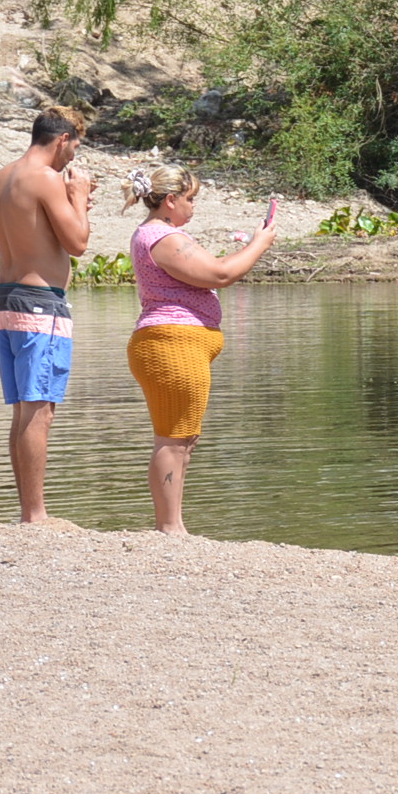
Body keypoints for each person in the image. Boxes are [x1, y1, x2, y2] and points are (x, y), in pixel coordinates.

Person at [122, 165, 277, 535]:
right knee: (174, 437)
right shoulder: (163, 237)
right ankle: (170, 528)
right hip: (172, 344)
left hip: (178, 344)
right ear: (170, 200)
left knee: (183, 437)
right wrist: (259, 244)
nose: (193, 207)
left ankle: (174, 525)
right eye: (190, 199)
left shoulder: (162, 234)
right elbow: (221, 274)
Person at [0, 102, 95, 526]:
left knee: (22, 407)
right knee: (40, 407)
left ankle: (28, 510)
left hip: (6, 296)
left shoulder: (2, 177)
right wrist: (79, 198)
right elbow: (78, 243)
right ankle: (36, 514)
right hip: (39, 303)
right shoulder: (45, 179)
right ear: (63, 138)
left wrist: (72, 202)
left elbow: (37, 232)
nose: (74, 158)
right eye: (75, 147)